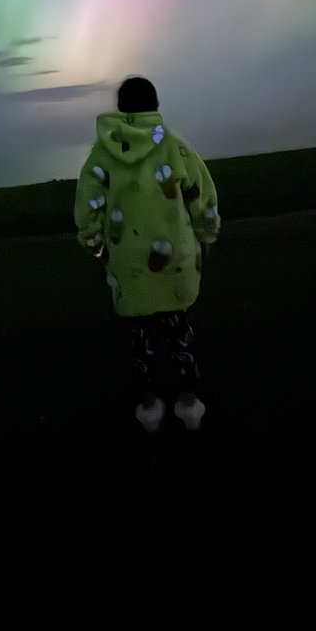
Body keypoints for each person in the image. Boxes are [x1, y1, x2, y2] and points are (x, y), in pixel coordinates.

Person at [74, 76, 220, 434]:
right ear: (155, 107)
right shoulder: (175, 148)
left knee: (140, 341)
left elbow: (88, 207)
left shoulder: (101, 155)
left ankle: (149, 406)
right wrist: (207, 233)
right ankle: (189, 406)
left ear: (121, 110)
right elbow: (202, 196)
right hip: (178, 264)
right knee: (180, 334)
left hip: (128, 267)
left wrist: (96, 245)